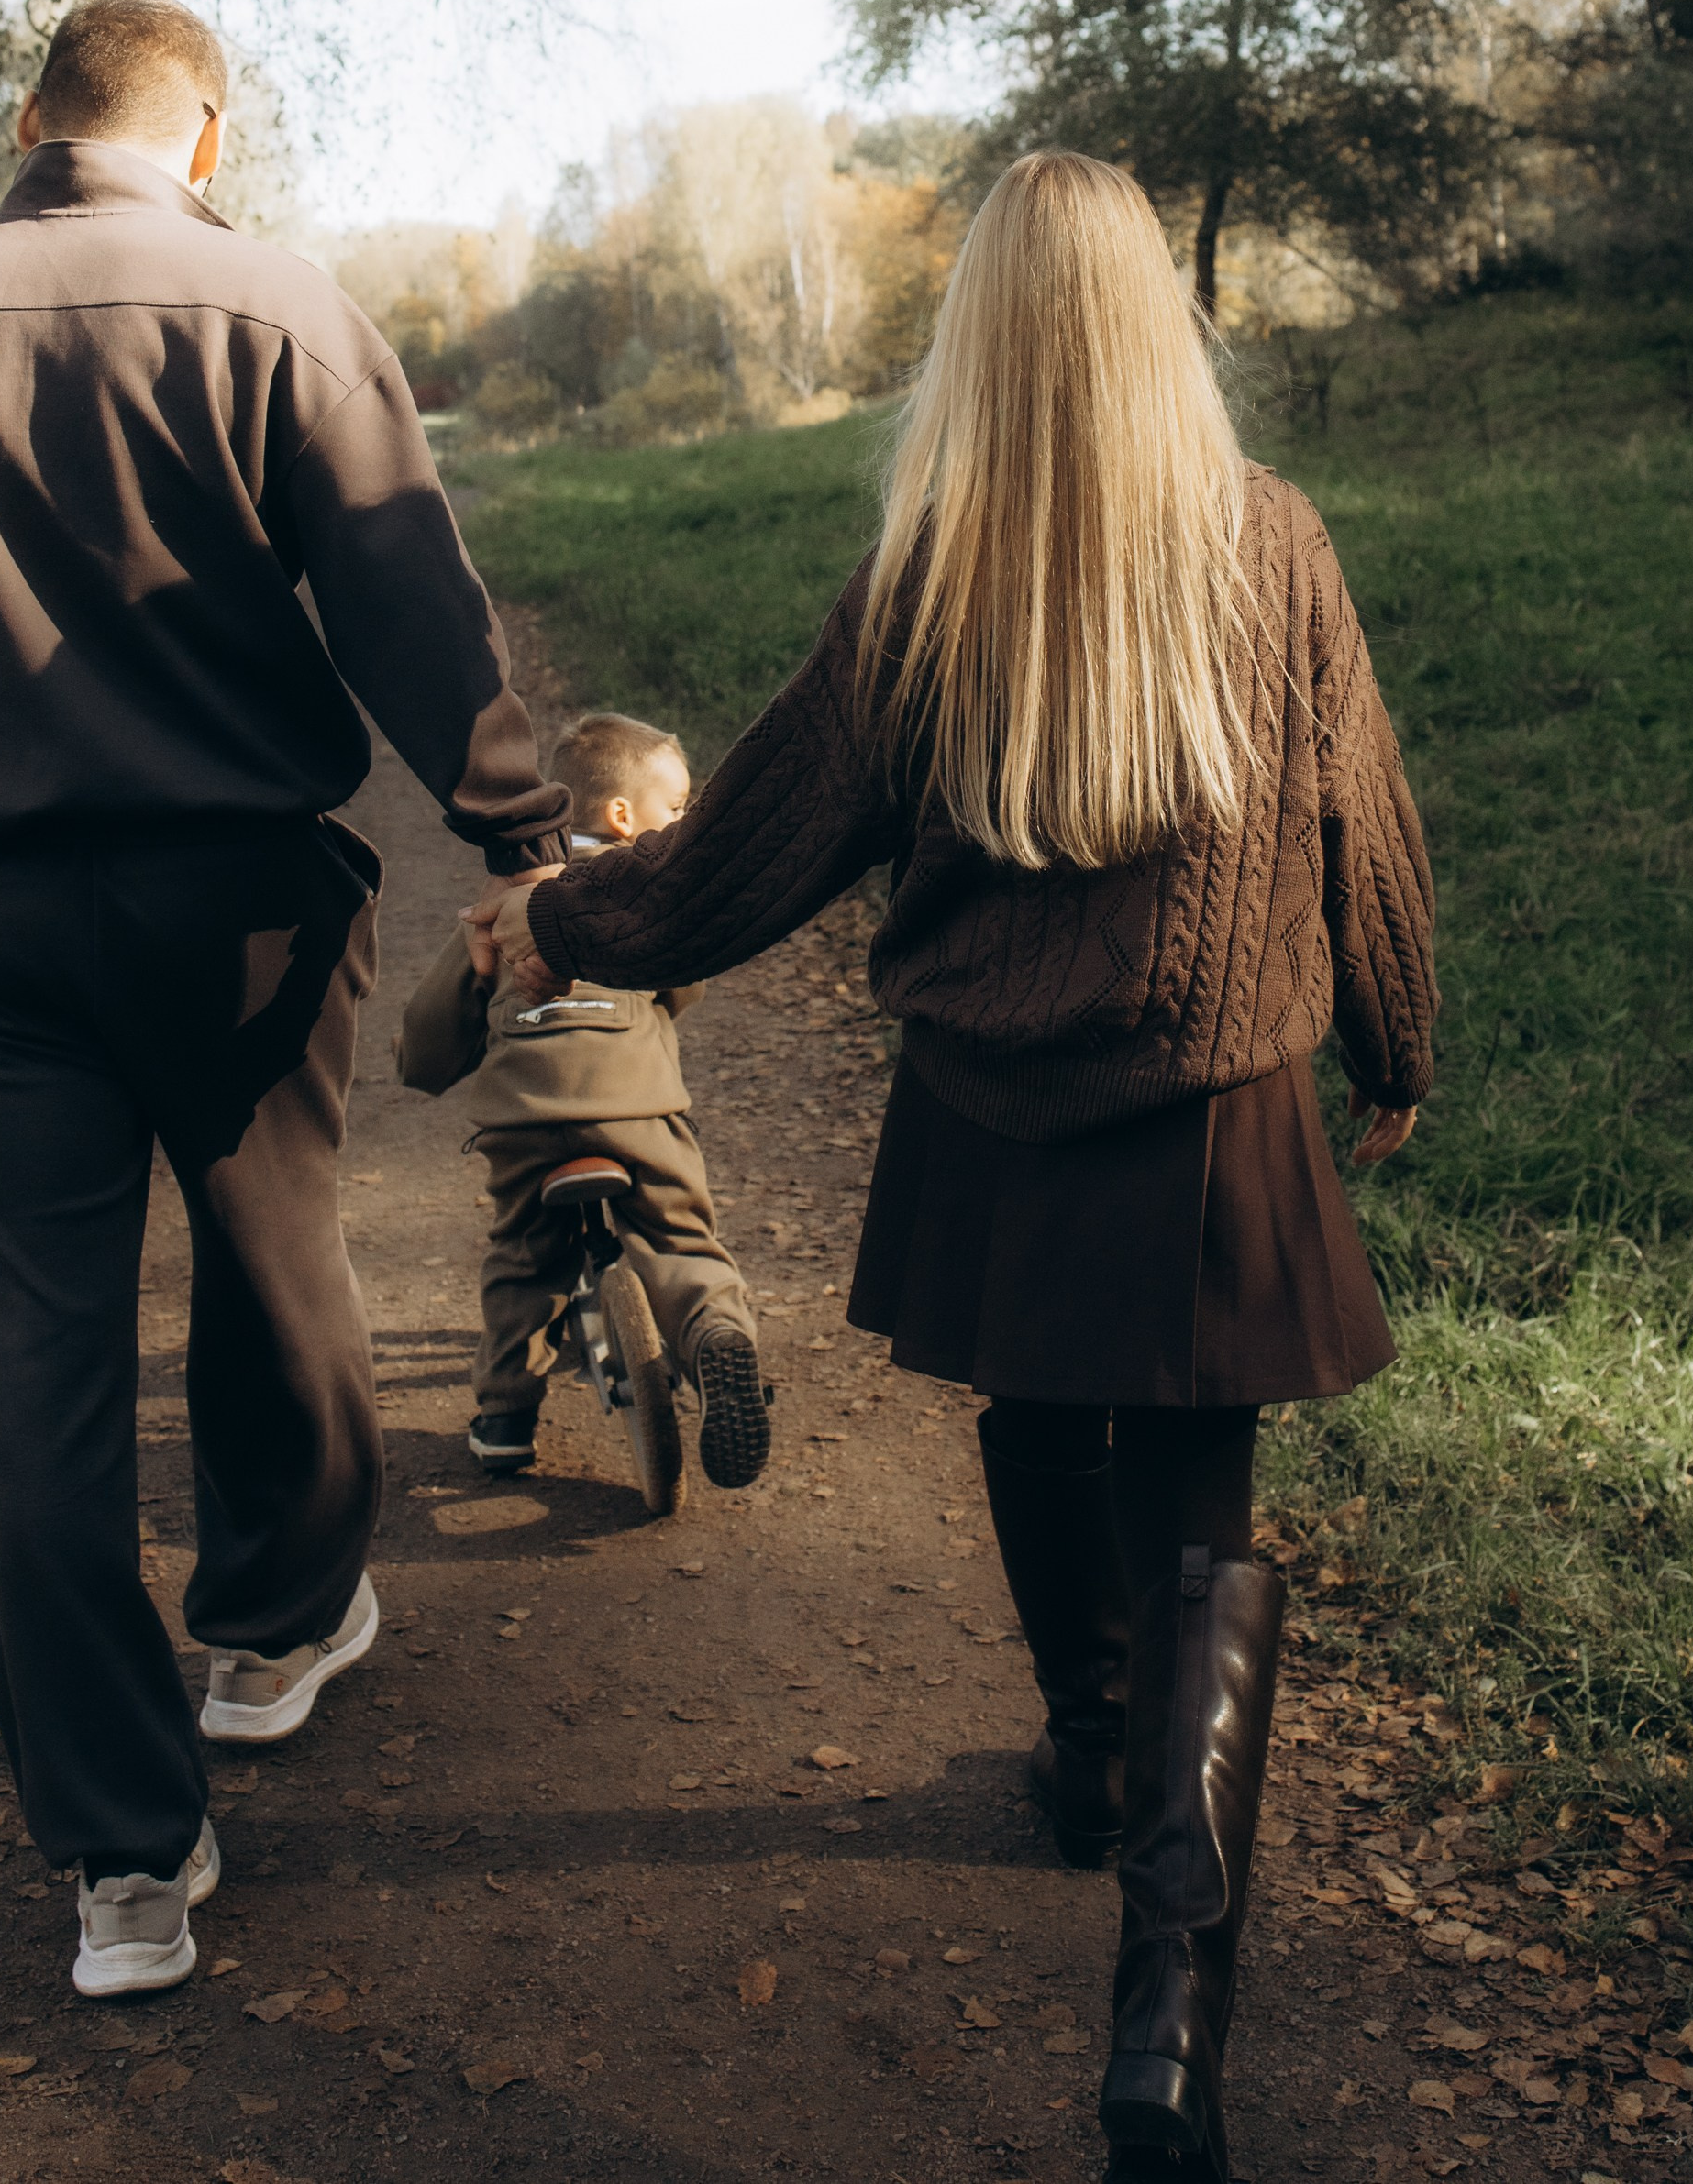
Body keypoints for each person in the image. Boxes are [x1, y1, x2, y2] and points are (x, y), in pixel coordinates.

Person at [466, 153, 1434, 2184]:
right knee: (1200, 1517)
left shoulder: (928, 582)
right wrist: (1390, 1036)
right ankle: (1165, 2018)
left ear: (972, 341)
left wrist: (557, 922)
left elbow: (744, 849)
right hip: (1212, 1121)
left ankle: (1086, 1755)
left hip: (993, 1116)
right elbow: (1361, 820)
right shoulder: (1269, 543)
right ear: (1155, 325)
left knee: (1035, 1415)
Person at [0, 0, 571, 2000]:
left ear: (32, 122)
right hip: (241, 905)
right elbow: (408, 602)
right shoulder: (270, 305)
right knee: (280, 1269)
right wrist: (512, 832)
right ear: (201, 135)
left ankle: (123, 1866)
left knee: (40, 1389)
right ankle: (270, 1634)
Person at [399, 711, 769, 1489]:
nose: (684, 822)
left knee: (522, 1258)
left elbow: (433, 1037)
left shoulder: (502, 907)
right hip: (635, 1108)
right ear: (624, 817)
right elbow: (684, 983)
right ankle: (715, 1339)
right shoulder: (642, 896)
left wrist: (421, 1065)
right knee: (678, 1238)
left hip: (523, 1121)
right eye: (677, 808)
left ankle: (503, 1419)